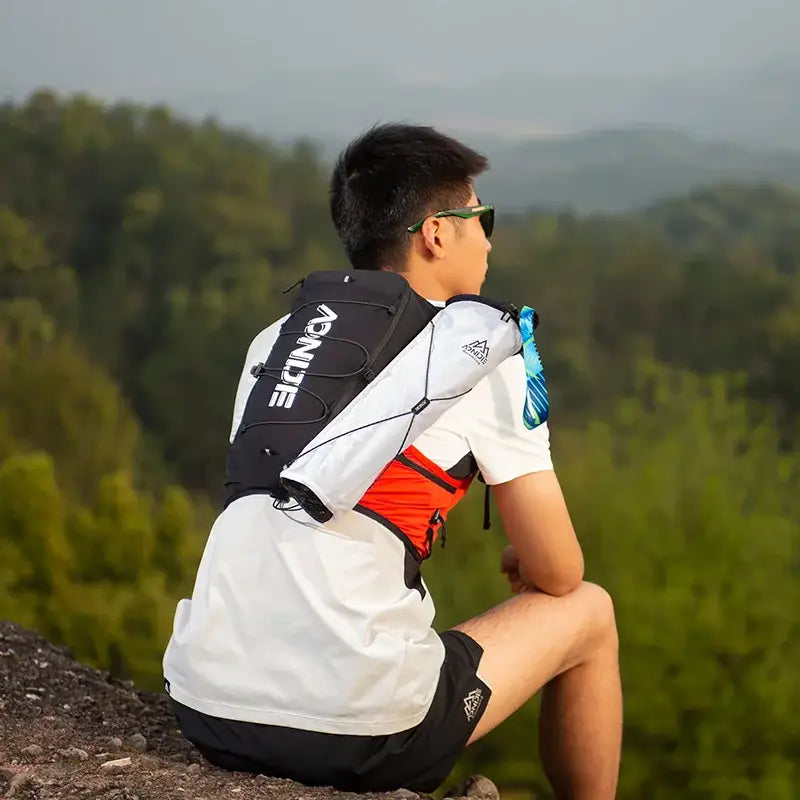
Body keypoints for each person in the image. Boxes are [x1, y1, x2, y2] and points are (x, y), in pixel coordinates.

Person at [162, 124, 622, 799]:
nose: (489, 240)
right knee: (590, 612)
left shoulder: (277, 341)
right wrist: (533, 558)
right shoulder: (477, 356)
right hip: (363, 729)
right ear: (437, 232)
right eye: (479, 218)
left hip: (206, 705)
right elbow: (560, 573)